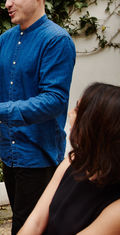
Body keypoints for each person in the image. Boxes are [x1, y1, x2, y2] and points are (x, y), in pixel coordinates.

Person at [0, 0, 76, 234]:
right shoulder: (4, 40)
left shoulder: (57, 40)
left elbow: (54, 100)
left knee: (29, 228)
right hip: (9, 153)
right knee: (22, 220)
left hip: (39, 156)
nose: (7, 4)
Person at [18, 82, 120, 234]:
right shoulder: (72, 162)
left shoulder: (116, 209)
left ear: (97, 127)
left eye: (78, 110)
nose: (71, 113)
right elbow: (36, 221)